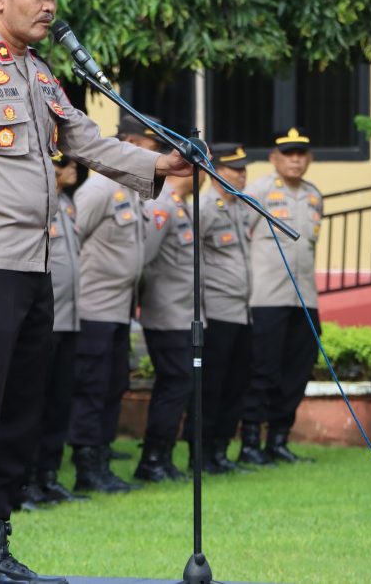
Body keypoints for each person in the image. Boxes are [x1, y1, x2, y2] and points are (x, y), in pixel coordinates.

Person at [0, 0, 193, 584]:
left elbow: (86, 141)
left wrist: (160, 165)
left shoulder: (40, 74)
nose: (49, 4)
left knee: (19, 408)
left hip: (33, 266)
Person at [67, 119, 159, 494]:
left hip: (121, 309)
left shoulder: (131, 189)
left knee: (112, 385)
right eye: (150, 146)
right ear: (131, 143)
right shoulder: (99, 188)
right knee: (91, 387)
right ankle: (87, 466)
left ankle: (102, 459)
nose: (154, 155)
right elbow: (73, 240)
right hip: (93, 309)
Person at [239, 127, 323, 465]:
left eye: (301, 154)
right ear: (274, 158)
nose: (295, 160)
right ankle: (249, 443)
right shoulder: (256, 192)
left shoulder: (315, 195)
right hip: (266, 298)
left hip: (304, 299)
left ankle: (278, 439)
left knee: (297, 372)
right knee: (263, 371)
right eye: (288, 153)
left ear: (309, 158)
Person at [23, 153, 87, 505]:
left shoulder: (66, 203)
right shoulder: (35, 204)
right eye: (63, 164)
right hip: (44, 322)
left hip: (70, 318)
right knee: (35, 403)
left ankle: (49, 475)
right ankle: (26, 480)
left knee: (60, 403)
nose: (72, 168)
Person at [133, 171, 199, 482]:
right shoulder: (162, 204)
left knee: (180, 386)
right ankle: (152, 460)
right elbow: (143, 259)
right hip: (166, 314)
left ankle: (163, 457)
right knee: (174, 384)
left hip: (182, 313)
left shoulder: (179, 203)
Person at [195, 143, 254, 473]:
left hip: (242, 310)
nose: (241, 175)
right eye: (235, 169)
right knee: (213, 386)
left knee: (236, 384)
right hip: (216, 311)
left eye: (244, 169)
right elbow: (191, 257)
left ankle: (220, 450)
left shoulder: (240, 207)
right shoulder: (205, 207)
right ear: (216, 171)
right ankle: (202, 453)